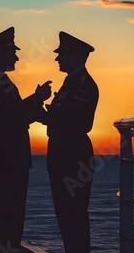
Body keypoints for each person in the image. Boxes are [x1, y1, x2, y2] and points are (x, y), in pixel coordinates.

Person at [0, 27, 52, 253]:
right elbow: (6, 116)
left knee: (11, 214)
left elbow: (14, 113)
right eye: (11, 52)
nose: (16, 57)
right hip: (6, 157)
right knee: (5, 214)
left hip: (10, 157)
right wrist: (37, 99)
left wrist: (37, 107)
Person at [40, 31, 99, 253]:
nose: (57, 59)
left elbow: (74, 121)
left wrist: (41, 113)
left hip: (72, 157)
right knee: (65, 215)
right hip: (64, 155)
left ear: (75, 56)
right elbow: (63, 117)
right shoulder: (71, 83)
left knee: (73, 215)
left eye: (61, 55)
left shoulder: (82, 84)